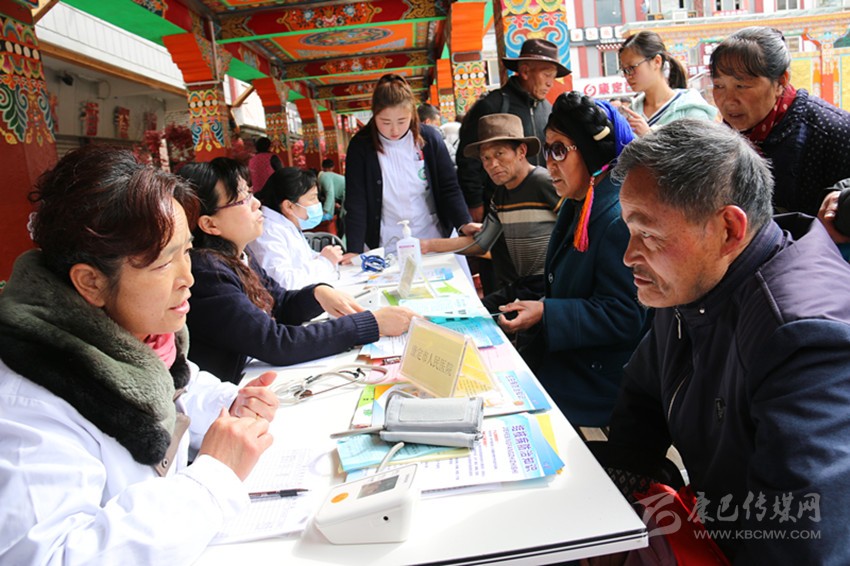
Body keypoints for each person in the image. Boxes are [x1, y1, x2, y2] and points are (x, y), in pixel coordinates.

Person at [0, 146, 279, 563]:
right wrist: (211, 482)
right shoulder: (30, 402)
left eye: (187, 252)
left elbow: (174, 387)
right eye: (163, 264)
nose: (188, 278)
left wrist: (230, 404)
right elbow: (51, 556)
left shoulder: (143, 341)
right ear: (91, 283)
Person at [601, 119, 850, 563]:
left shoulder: (804, 338)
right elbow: (643, 397)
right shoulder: (694, 281)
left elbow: (801, 542)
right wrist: (619, 495)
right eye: (629, 231)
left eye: (649, 234)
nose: (629, 256)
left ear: (729, 229)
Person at [179, 158, 415, 384]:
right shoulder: (208, 273)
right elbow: (276, 343)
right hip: (235, 393)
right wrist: (370, 324)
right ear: (210, 224)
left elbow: (279, 303)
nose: (256, 203)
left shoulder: (238, 256)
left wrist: (318, 293)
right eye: (242, 200)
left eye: (250, 193)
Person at [497, 92, 649, 427]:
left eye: (560, 150)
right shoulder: (578, 202)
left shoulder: (616, 221)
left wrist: (547, 312)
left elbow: (626, 315)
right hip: (569, 360)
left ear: (591, 153)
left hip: (598, 382)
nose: (549, 163)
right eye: (547, 150)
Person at [420, 114, 560, 312]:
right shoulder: (500, 196)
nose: (492, 164)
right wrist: (425, 246)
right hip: (524, 286)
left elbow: (578, 229)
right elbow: (481, 243)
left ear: (521, 151)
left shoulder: (543, 182)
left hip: (552, 286)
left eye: (499, 154)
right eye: (485, 158)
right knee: (468, 314)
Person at [710, 26, 850, 223]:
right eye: (719, 86)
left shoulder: (831, 130)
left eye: (741, 86)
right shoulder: (723, 137)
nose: (728, 100)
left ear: (781, 82)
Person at [344, 74, 474, 257]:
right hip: (385, 239)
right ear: (374, 115)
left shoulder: (430, 138)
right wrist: (354, 250)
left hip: (432, 235)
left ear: (412, 114)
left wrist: (464, 222)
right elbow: (356, 200)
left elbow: (449, 187)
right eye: (385, 122)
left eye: (402, 121)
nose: (394, 130)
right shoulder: (361, 146)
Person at [456, 38, 569, 224]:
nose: (550, 83)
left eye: (553, 77)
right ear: (524, 71)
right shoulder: (492, 105)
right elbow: (467, 159)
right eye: (546, 75)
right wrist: (474, 202)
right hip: (500, 205)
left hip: (543, 203)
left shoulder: (548, 109)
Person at [247, 167, 342, 289]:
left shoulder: (289, 224)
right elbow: (282, 282)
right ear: (289, 206)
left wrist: (328, 257)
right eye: (312, 198)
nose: (318, 204)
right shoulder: (268, 231)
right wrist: (325, 262)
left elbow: (305, 259)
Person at [617, 31, 716, 137]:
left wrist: (649, 135)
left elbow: (701, 147)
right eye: (624, 70)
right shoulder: (632, 112)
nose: (628, 76)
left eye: (632, 67)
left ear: (657, 61)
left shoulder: (690, 108)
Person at [317, 158, 346, 236]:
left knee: (344, 221)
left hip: (348, 195)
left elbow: (330, 194)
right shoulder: (328, 175)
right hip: (345, 196)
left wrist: (325, 211)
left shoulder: (323, 177)